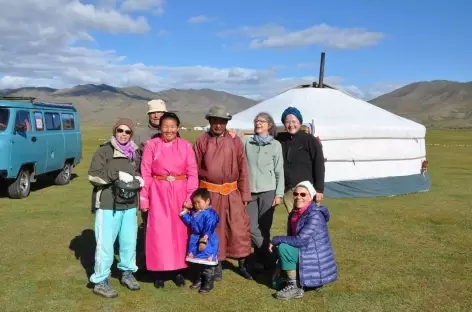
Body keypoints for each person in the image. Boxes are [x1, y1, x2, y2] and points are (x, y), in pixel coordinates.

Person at [193, 105, 253, 281]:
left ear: (226, 123)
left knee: (238, 228)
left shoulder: (236, 141)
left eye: (222, 122)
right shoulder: (201, 141)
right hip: (210, 194)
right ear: (210, 122)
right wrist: (197, 197)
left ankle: (243, 263)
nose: (218, 125)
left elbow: (243, 169)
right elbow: (194, 168)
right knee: (214, 229)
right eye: (215, 121)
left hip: (232, 192)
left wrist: (245, 195)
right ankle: (216, 264)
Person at [139, 112, 198, 289]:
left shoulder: (186, 146)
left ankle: (178, 271)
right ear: (160, 127)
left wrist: (190, 197)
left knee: (180, 233)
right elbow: (145, 173)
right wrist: (144, 199)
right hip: (158, 192)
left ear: (178, 127)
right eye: (166, 126)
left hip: (180, 192)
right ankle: (158, 272)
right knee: (159, 232)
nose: (169, 130)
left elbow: (192, 174)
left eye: (173, 126)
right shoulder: (151, 145)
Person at [88, 118, 143, 298]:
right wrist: (115, 174)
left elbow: (138, 173)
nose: (123, 134)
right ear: (115, 131)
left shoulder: (134, 152)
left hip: (129, 205)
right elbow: (93, 176)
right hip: (108, 204)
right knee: (105, 245)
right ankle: (100, 281)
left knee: (129, 242)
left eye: (128, 131)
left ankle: (127, 273)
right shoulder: (104, 151)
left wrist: (138, 180)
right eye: (120, 130)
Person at [269, 180, 338, 300]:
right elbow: (292, 239)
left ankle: (295, 288)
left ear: (310, 197)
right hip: (306, 252)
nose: (298, 197)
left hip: (314, 260)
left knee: (284, 247)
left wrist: (275, 240)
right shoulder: (295, 213)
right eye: (296, 194)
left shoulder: (315, 215)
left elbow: (300, 240)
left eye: (303, 194)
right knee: (275, 282)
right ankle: (295, 279)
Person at [243, 112, 284, 271]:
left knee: (265, 227)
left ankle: (261, 261)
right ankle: (271, 256)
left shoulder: (275, 145)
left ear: (269, 125)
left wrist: (279, 194)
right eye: (256, 121)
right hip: (250, 191)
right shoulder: (247, 142)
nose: (258, 123)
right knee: (251, 227)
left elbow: (279, 170)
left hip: (269, 191)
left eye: (262, 121)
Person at [133, 99, 168, 267]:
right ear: (149, 114)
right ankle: (149, 261)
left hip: (169, 189)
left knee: (169, 225)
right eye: (153, 112)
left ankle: (170, 262)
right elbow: (134, 161)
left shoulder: (171, 132)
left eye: (159, 112)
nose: (156, 115)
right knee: (149, 226)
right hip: (148, 187)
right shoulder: (140, 135)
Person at [275, 107, 325, 213]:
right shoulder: (279, 140)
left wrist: (319, 189)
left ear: (300, 122)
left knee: (309, 221)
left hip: (307, 190)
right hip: (289, 191)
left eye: (294, 121)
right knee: (294, 220)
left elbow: (319, 164)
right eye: (287, 122)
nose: (291, 125)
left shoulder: (310, 140)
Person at [179, 188, 220, 294]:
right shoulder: (195, 212)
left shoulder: (210, 214)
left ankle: (208, 283)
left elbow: (209, 227)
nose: (196, 205)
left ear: (207, 201)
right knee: (198, 263)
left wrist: (204, 240)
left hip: (207, 240)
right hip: (195, 239)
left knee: (207, 265)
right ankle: (199, 280)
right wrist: (185, 213)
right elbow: (191, 222)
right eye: (194, 203)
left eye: (199, 202)